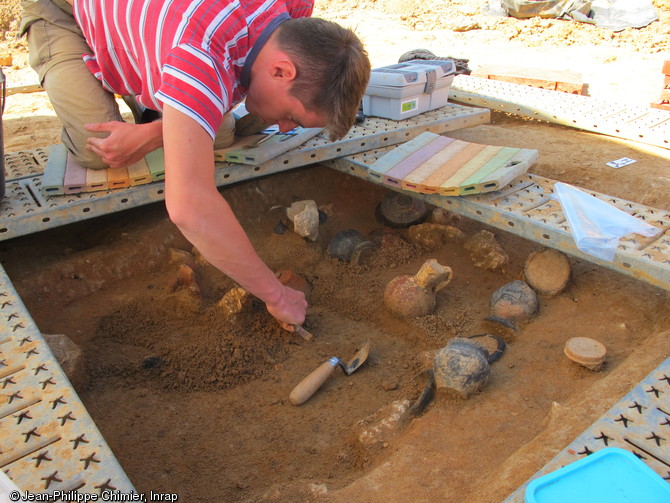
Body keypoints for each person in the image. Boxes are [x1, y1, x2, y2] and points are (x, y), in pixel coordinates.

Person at [20, 0, 371, 330]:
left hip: (153, 29)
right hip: (66, 13)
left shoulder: (295, 16)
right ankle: (136, 81)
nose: (282, 128)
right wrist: (275, 295)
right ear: (281, 70)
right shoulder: (201, 57)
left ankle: (160, 107)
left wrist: (156, 132)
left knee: (217, 126)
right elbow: (190, 207)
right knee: (100, 152)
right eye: (292, 116)